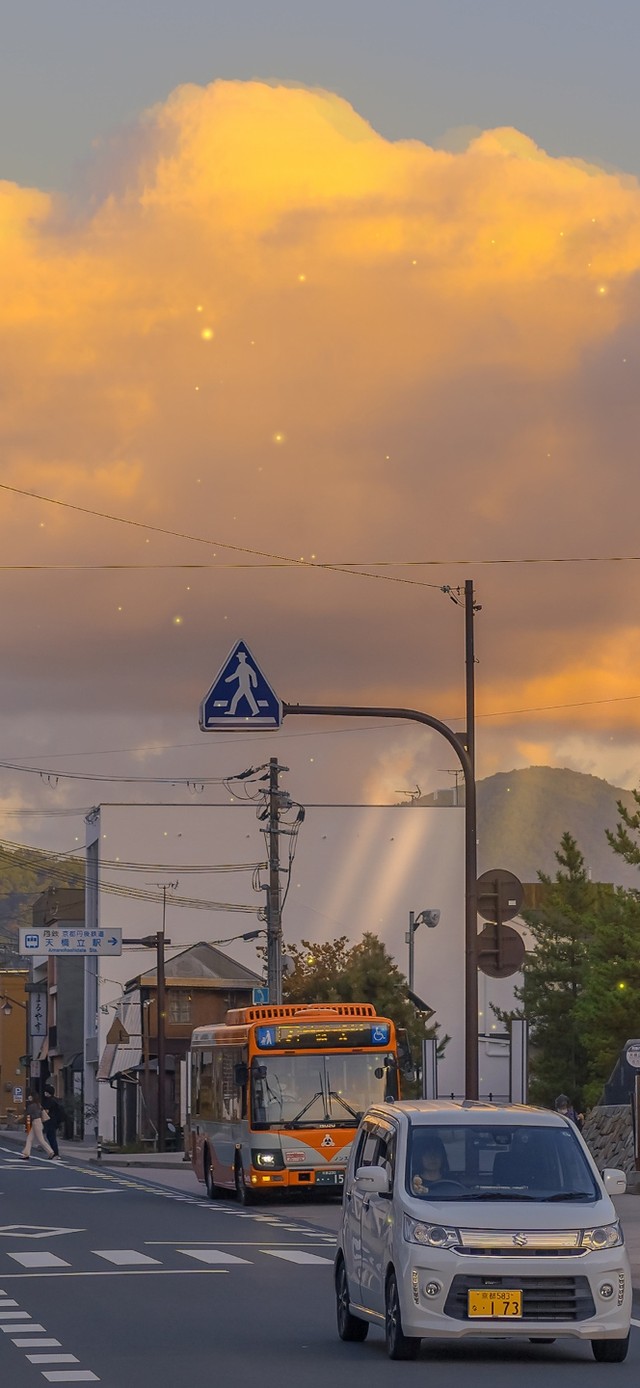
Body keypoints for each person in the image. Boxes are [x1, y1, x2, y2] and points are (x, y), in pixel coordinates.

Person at [21, 1091, 55, 1160]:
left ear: (32, 1097)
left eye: (30, 1096)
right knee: (29, 1138)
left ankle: (51, 1152)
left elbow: (26, 1114)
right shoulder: (38, 1105)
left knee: (41, 1139)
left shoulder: (31, 1106)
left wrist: (17, 1119)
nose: (29, 1097)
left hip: (36, 1122)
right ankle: (26, 1154)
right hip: (38, 1122)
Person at [43, 1085, 64, 1158]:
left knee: (51, 1137)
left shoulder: (49, 1101)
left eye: (45, 1091)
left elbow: (46, 1111)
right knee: (51, 1137)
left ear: (48, 1093)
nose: (44, 1093)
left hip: (50, 1121)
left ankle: (55, 1154)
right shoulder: (55, 1100)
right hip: (55, 1121)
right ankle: (53, 1153)